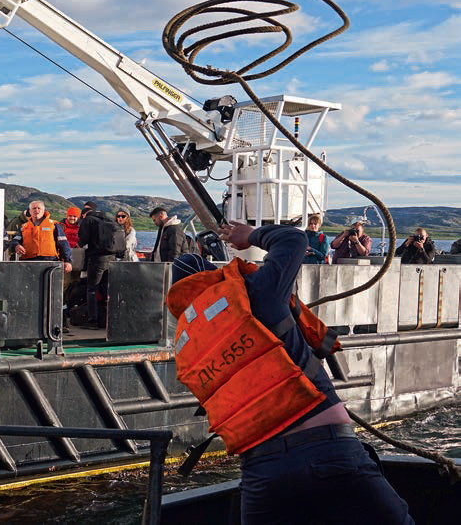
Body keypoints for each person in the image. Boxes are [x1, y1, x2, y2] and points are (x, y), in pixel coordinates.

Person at [167, 222, 413, 524]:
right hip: (330, 451)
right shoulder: (257, 291)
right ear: (213, 275)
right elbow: (293, 240)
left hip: (262, 475)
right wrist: (249, 236)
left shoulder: (188, 346)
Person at [78, 205, 117, 328]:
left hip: (97, 259)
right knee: (106, 289)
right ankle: (107, 320)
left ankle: (92, 320)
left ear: (84, 215)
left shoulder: (88, 220)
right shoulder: (108, 219)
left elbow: (82, 240)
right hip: (112, 258)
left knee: (92, 289)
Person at [10, 200, 72, 272]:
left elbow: (63, 244)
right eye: (34, 208)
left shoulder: (54, 225)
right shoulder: (24, 227)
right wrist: (16, 245)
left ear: (43, 211)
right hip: (28, 262)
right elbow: (15, 240)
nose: (36, 210)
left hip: (50, 261)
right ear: (30, 211)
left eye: (39, 208)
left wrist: (67, 261)